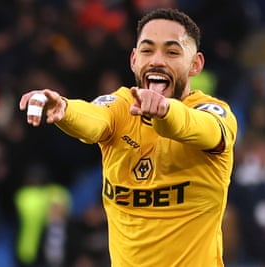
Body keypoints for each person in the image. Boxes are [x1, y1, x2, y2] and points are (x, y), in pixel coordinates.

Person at [19, 8, 238, 267]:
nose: (157, 60)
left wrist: (166, 112)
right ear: (134, 59)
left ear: (196, 64)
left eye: (172, 51)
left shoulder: (214, 112)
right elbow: (94, 119)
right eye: (147, 50)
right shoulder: (120, 107)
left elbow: (200, 128)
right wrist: (66, 110)